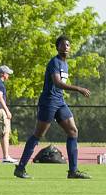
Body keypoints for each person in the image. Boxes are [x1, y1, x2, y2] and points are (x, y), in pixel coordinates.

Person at [13, 35, 91, 179]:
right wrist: (78, 88)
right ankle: (20, 168)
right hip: (48, 101)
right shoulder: (54, 62)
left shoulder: (65, 64)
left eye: (68, 45)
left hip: (59, 101)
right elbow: (57, 83)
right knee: (38, 134)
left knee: (73, 131)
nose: (66, 47)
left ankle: (73, 171)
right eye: (63, 45)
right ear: (57, 47)